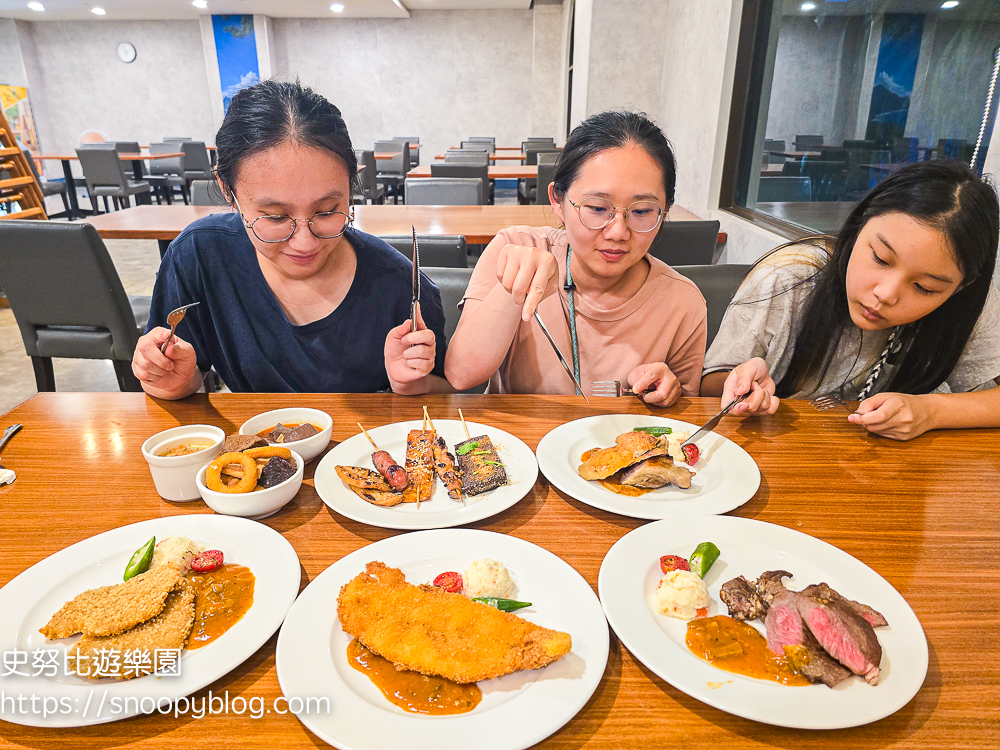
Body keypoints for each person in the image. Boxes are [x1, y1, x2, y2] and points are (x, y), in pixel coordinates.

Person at [132, 80, 449, 399]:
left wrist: (411, 385)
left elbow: (447, 398)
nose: (304, 243)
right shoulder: (199, 256)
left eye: (327, 211)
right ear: (230, 193)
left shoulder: (402, 289)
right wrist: (171, 379)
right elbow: (183, 377)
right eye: (275, 217)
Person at [702, 160, 1000, 440]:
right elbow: (709, 386)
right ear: (859, 225)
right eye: (881, 259)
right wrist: (743, 384)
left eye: (924, 287)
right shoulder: (788, 277)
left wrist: (930, 411)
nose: (886, 294)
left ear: (960, 288)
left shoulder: (968, 304)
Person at [445, 110, 707, 404]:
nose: (618, 232)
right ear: (559, 201)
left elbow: (685, 419)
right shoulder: (516, 247)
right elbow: (461, 374)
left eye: (642, 211)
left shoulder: (682, 302)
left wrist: (667, 392)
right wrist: (512, 292)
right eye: (597, 208)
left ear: (665, 210)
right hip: (518, 445)